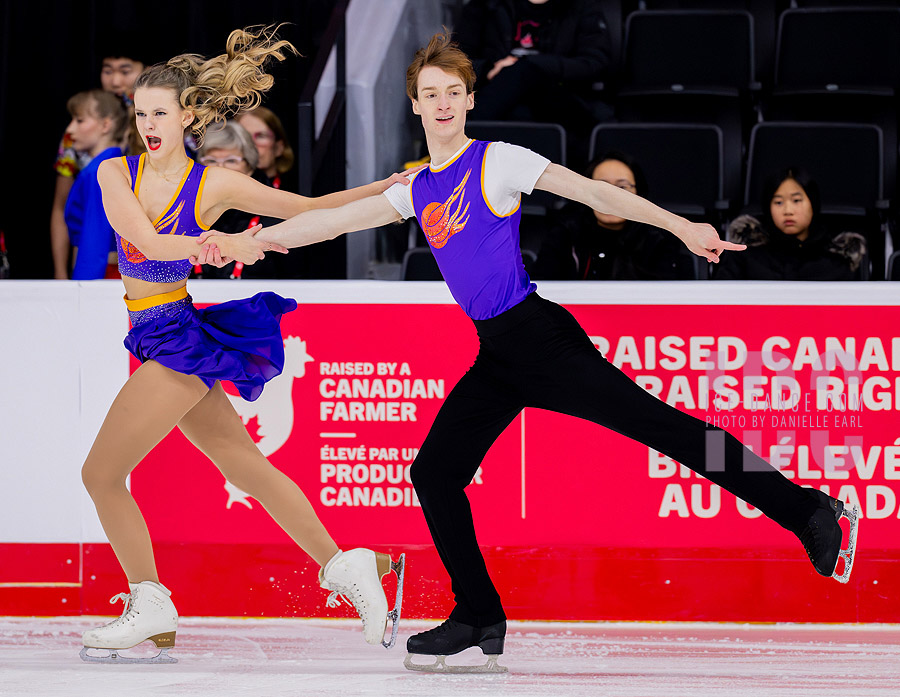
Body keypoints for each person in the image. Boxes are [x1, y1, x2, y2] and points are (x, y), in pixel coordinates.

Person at [196, 32, 860, 673]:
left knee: (675, 431)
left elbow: (596, 193)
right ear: (416, 104)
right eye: (431, 92)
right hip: (499, 355)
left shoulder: (498, 161)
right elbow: (332, 221)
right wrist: (252, 241)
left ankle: (808, 509)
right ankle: (479, 613)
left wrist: (681, 225)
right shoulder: (414, 187)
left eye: (454, 90)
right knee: (435, 472)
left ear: (469, 99)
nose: (444, 102)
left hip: (543, 340)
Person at [79, 26, 414, 665]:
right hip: (157, 331)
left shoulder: (213, 186)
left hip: (173, 337)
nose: (148, 122)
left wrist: (388, 189)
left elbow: (309, 207)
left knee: (100, 474)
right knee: (245, 467)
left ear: (191, 117)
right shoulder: (114, 172)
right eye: (140, 111)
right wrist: (219, 246)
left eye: (160, 112)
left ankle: (149, 604)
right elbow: (146, 244)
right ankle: (350, 565)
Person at [456, 0, 613, 169]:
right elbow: (457, 62)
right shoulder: (485, 5)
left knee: (526, 73)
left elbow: (595, 64)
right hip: (501, 99)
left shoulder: (582, 7)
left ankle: (454, 140)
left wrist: (529, 65)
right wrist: (490, 68)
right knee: (519, 105)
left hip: (560, 100)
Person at [50, 46, 147, 279]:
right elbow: (61, 209)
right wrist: (61, 275)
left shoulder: (157, 131)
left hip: (134, 266)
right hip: (97, 265)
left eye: (125, 71)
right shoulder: (82, 144)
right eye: (108, 70)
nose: (116, 81)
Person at [532, 151, 696, 279]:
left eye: (622, 188)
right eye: (602, 189)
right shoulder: (565, 234)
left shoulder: (659, 239)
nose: (612, 199)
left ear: (639, 193)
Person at [715, 167, 868, 281]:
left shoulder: (838, 258)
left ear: (813, 204)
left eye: (796, 201)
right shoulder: (746, 254)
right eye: (778, 202)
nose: (788, 210)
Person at [191, 119, 296, 279]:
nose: (220, 169)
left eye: (231, 160)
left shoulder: (274, 214)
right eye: (211, 161)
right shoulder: (187, 210)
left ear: (250, 165)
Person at [63, 90, 129, 279]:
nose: (70, 129)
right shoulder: (112, 164)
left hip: (102, 276)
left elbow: (95, 237)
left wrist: (83, 290)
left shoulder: (100, 171)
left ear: (106, 125)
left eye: (79, 120)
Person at [237, 106, 294, 189]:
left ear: (279, 147)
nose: (252, 144)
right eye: (245, 136)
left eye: (261, 136)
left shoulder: (296, 191)